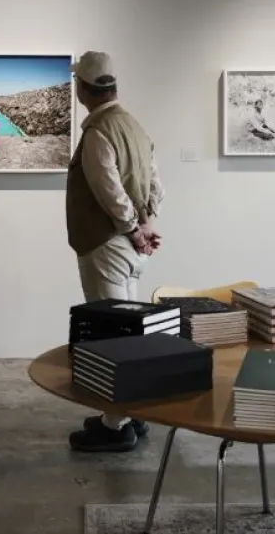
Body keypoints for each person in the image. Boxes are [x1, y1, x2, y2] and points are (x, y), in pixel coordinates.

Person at [65, 51, 165, 453]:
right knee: (131, 329)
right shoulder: (135, 128)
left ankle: (115, 424)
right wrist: (147, 225)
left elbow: (110, 192)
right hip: (129, 246)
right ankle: (129, 410)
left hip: (105, 244)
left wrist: (132, 228)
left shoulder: (97, 133)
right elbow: (155, 185)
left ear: (83, 89)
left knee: (112, 334)